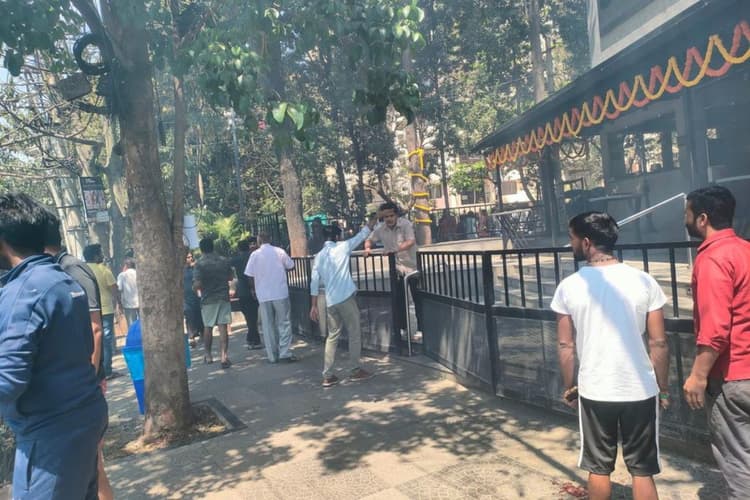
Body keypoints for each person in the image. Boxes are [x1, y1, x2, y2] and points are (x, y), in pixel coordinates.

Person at [550, 212, 670, 500]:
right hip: (640, 388)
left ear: (586, 242)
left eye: (572, 238)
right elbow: (658, 342)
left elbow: (566, 345)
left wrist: (570, 386)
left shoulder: (569, 286)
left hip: (595, 389)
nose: (571, 244)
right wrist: (663, 388)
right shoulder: (644, 281)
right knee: (642, 469)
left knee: (598, 467)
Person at [0, 193, 108, 499]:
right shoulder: (62, 281)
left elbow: (6, 382)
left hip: (50, 436)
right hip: (82, 418)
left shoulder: (23, 292)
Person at [683, 186, 750, 498]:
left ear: (702, 219)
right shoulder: (745, 250)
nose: (684, 220)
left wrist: (698, 376)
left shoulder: (713, 258)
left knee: (739, 462)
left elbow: (715, 328)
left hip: (733, 376)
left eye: (687, 213)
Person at [42, 211, 113, 500]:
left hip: (87, 383)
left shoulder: (73, 269)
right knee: (91, 465)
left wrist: (89, 379)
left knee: (94, 463)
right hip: (79, 384)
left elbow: (95, 328)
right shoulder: (59, 269)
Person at [310, 216, 378, 387]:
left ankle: (327, 374)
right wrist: (376, 217)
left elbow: (314, 282)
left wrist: (313, 305)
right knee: (354, 332)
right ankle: (355, 370)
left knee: (332, 336)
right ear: (337, 236)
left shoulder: (318, 256)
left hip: (330, 300)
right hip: (345, 297)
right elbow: (363, 234)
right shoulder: (342, 247)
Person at [364, 201, 423, 337]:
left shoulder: (406, 224)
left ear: (396, 215)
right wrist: (367, 248)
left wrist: (394, 249)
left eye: (391, 215)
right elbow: (369, 239)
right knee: (399, 300)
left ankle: (421, 329)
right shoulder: (381, 228)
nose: (389, 219)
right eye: (386, 217)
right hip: (397, 269)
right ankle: (402, 328)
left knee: (418, 299)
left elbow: (411, 241)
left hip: (412, 267)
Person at [244, 232, 297, 363]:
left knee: (268, 326)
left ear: (259, 241)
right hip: (280, 292)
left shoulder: (254, 255)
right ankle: (284, 352)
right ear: (270, 239)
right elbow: (291, 266)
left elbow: (249, 275)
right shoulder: (279, 251)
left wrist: (253, 289)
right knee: (284, 323)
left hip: (263, 294)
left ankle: (272, 356)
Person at [193, 238, 234, 368]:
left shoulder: (199, 264)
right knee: (223, 327)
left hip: (208, 299)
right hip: (223, 297)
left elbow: (198, 283)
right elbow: (230, 277)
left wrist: (194, 288)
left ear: (201, 249)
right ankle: (224, 356)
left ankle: (208, 355)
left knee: (208, 327)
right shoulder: (224, 261)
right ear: (212, 246)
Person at [84, 243, 120, 379]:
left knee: (93, 340)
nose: (102, 256)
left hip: (88, 310)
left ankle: (96, 369)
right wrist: (118, 304)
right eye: (100, 253)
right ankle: (107, 370)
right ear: (95, 256)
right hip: (105, 309)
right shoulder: (104, 270)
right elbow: (114, 289)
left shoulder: (82, 270)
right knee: (106, 340)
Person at [231, 238, 262, 350]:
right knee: (253, 315)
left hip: (243, 290)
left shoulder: (236, 259)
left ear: (239, 248)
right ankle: (253, 338)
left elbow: (227, 265)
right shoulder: (253, 256)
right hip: (255, 288)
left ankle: (253, 339)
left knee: (249, 317)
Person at [183, 252, 203, 347]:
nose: (190, 259)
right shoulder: (181, 270)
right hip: (185, 297)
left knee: (199, 315)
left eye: (191, 257)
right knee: (189, 316)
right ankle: (191, 337)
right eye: (188, 257)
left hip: (196, 296)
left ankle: (202, 334)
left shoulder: (195, 268)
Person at [116, 257, 139, 327]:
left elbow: (118, 289)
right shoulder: (139, 273)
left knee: (132, 325)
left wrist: (119, 303)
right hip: (140, 303)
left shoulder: (122, 275)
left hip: (128, 305)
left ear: (125, 265)